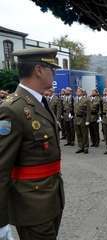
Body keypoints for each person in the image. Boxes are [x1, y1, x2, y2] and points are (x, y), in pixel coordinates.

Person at [0, 48, 64, 239]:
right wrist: (1, 222)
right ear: (38, 70)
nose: (54, 73)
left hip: (51, 199)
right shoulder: (13, 109)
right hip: (31, 206)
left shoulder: (40, 102)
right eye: (51, 68)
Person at [74, 88, 91, 154]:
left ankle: (86, 147)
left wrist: (87, 120)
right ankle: (80, 147)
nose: (77, 92)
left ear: (82, 92)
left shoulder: (86, 100)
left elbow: (88, 111)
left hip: (83, 119)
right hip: (76, 119)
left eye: (78, 91)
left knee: (84, 134)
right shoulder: (75, 99)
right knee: (78, 134)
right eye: (77, 91)